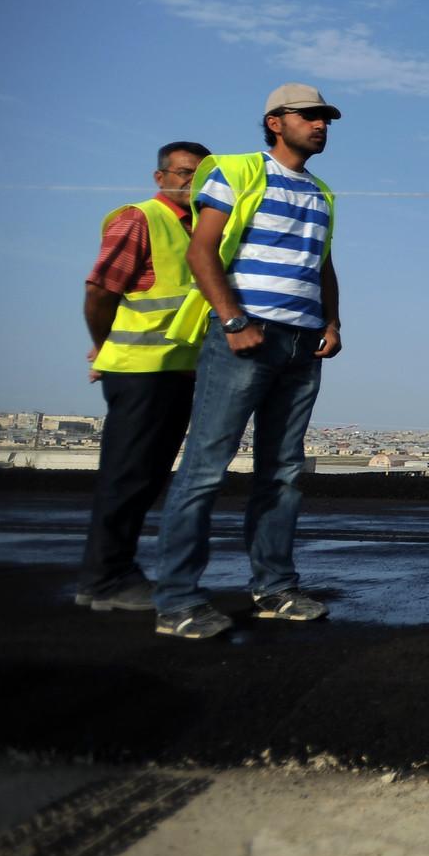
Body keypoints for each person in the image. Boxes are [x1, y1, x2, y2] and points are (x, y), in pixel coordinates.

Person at [150, 84, 343, 640]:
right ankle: (179, 600)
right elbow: (201, 249)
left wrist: (331, 323)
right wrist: (234, 321)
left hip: (303, 344)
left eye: (325, 118)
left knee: (283, 473)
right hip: (248, 338)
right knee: (206, 467)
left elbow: (322, 265)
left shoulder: (322, 192)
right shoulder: (235, 171)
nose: (321, 125)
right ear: (275, 122)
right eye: (309, 116)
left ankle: (275, 589)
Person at [76, 140, 212, 612]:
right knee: (127, 476)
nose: (190, 183)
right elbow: (99, 290)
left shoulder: (196, 228)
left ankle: (108, 573)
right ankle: (106, 579)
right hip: (140, 372)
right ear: (161, 177)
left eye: (199, 175)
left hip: (174, 372)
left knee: (144, 477)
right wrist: (105, 342)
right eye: (182, 173)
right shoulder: (141, 218)